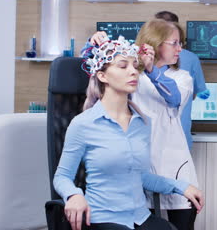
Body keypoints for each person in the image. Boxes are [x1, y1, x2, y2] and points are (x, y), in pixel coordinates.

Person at [54, 36, 204, 230]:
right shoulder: (83, 124)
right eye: (123, 66)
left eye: (135, 65)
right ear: (102, 76)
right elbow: (62, 176)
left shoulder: (142, 123)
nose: (133, 71)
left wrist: (182, 186)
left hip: (139, 217)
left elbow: (140, 176)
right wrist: (74, 195)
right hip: (102, 219)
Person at [154, 11, 210, 150]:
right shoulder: (137, 66)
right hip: (169, 137)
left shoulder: (183, 74)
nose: (178, 50)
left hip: (172, 137)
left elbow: (186, 95)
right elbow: (196, 93)